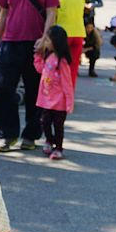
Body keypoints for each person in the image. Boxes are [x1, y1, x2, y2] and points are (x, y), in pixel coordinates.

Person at [0, 0, 59, 153]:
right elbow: (3, 14)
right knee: (3, 89)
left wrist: (46, 39)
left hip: (36, 45)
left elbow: (51, 12)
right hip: (10, 43)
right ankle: (7, 135)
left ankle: (31, 135)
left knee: (35, 90)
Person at [33, 26, 74, 160]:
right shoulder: (48, 56)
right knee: (44, 122)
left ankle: (58, 148)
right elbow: (39, 69)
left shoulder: (62, 62)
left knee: (58, 126)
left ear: (55, 41)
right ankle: (49, 141)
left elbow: (67, 84)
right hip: (45, 99)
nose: (46, 42)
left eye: (48, 40)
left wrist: (69, 102)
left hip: (59, 102)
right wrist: (37, 55)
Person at [55, 0, 85, 91]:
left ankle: (57, 94)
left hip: (61, 35)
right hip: (78, 34)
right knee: (72, 68)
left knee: (56, 66)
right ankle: (69, 94)